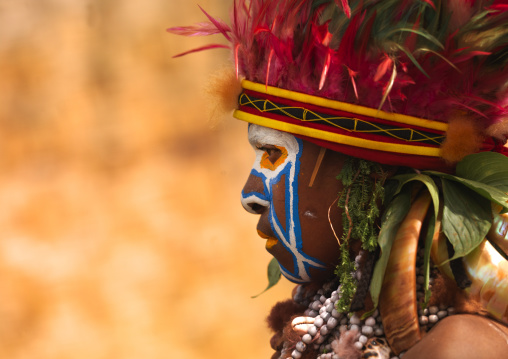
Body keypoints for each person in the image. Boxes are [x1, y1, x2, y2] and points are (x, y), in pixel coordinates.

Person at [168, 1, 508, 358]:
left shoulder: (464, 347)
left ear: (368, 178)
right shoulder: (330, 317)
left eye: (273, 155)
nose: (250, 196)